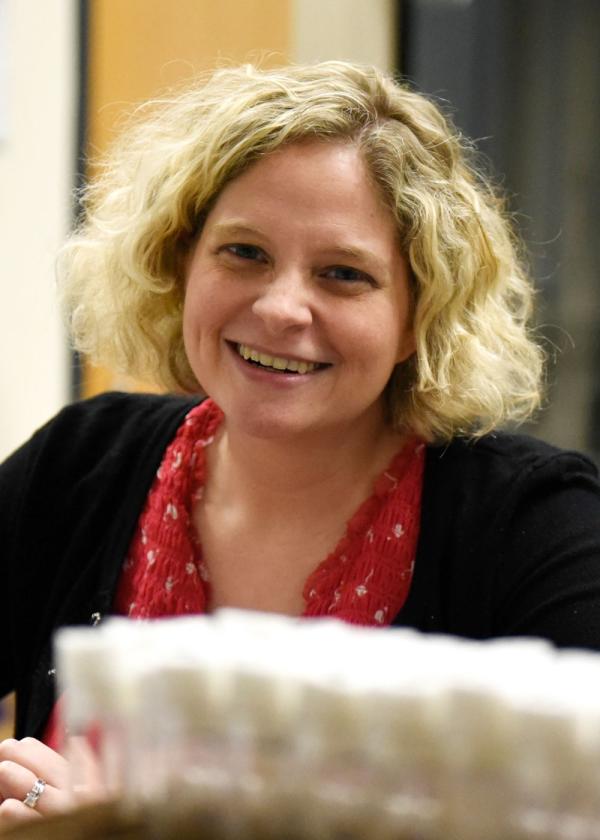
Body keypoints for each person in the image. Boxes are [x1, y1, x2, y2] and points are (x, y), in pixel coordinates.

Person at [1, 59, 600, 828]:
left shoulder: (537, 529)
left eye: (343, 274)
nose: (283, 307)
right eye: (244, 253)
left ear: (420, 315)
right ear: (180, 263)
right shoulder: (80, 463)